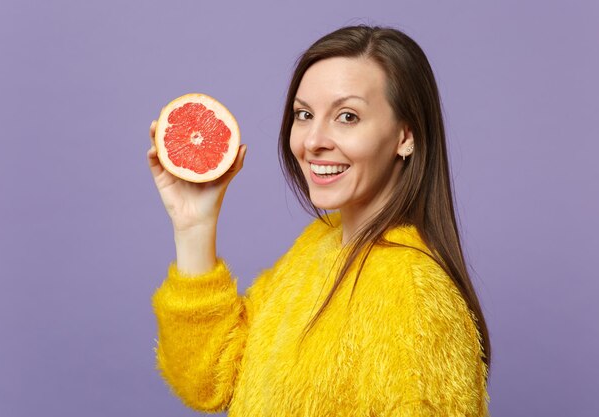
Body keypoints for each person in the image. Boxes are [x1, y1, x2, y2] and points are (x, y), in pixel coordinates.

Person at [147, 25, 491, 416]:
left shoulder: (412, 291)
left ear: (405, 136)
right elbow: (209, 381)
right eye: (304, 114)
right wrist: (194, 227)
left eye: (347, 116)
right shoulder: (319, 245)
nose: (312, 141)